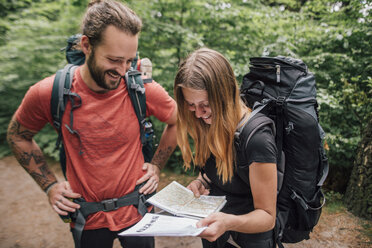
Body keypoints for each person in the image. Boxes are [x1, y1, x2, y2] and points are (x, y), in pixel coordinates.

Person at [6, 1, 177, 248]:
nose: (122, 70)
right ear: (87, 46)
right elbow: (17, 136)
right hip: (87, 217)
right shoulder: (49, 92)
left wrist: (157, 166)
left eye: (129, 60)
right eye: (114, 60)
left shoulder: (141, 89)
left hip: (137, 210)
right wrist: (50, 186)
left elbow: (178, 122)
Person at [174, 48, 277, 248]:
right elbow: (220, 176)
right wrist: (200, 182)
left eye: (205, 104)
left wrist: (229, 221)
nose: (198, 113)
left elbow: (267, 217)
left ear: (226, 93)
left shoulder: (258, 140)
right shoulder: (211, 125)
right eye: (191, 105)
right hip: (217, 237)